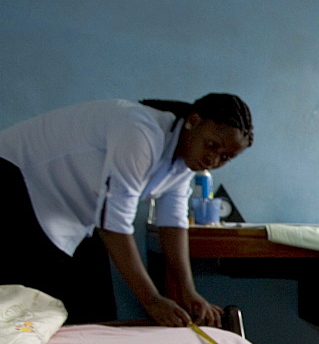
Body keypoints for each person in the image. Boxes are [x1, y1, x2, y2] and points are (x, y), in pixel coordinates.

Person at [0, 94, 253, 327]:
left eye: (226, 157)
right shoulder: (140, 132)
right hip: (16, 179)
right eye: (211, 145)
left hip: (66, 212)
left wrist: (188, 290)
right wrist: (152, 300)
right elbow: (114, 225)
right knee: (22, 310)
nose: (213, 160)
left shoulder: (184, 161)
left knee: (94, 312)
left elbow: (173, 223)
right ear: (193, 121)